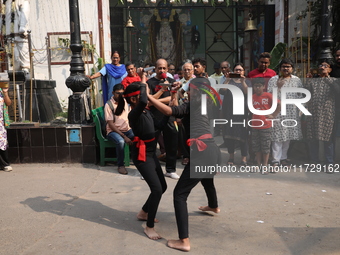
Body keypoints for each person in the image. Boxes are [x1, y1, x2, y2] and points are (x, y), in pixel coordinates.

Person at [147, 77, 221, 252]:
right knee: (206, 178)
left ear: (195, 90)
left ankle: (184, 240)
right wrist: (175, 93)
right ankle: (213, 205)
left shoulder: (192, 105)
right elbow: (177, 112)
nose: (187, 91)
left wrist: (150, 98)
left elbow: (169, 111)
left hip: (202, 153)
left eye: (190, 88)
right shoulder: (206, 104)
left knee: (179, 194)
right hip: (211, 151)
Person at [115, 73, 168, 240]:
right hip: (142, 156)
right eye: (144, 93)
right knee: (157, 189)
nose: (147, 96)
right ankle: (149, 227)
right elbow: (145, 100)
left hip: (152, 154)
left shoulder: (146, 111)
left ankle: (143, 213)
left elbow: (159, 125)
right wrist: (143, 81)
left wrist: (169, 109)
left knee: (163, 187)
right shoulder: (133, 114)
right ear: (134, 100)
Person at [147, 58, 180, 180]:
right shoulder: (150, 83)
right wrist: (162, 91)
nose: (161, 70)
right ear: (155, 69)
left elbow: (173, 101)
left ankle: (170, 170)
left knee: (171, 144)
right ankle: (150, 171)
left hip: (169, 117)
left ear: (167, 69)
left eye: (164, 68)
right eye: (159, 68)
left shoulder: (172, 82)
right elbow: (148, 102)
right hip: (154, 118)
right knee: (151, 146)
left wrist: (156, 101)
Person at [267, 59, 303, 166]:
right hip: (278, 112)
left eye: (288, 66)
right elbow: (269, 96)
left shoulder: (297, 80)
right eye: (284, 66)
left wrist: (300, 111)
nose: (286, 68)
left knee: (287, 136)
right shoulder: (274, 79)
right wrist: (277, 87)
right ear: (280, 68)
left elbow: (300, 95)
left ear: (292, 68)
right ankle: (275, 160)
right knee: (277, 136)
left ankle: (283, 158)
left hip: (292, 112)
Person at [305, 60, 340, 168]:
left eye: (326, 66)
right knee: (313, 138)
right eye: (321, 65)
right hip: (313, 113)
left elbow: (338, 92)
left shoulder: (334, 80)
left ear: (330, 70)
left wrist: (327, 78)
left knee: (328, 139)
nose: (323, 67)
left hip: (328, 114)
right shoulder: (313, 81)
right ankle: (314, 162)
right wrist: (308, 80)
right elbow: (305, 93)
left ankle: (329, 163)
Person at [219, 63, 250, 166]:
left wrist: (243, 81)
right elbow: (222, 91)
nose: (238, 72)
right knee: (229, 136)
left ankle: (243, 158)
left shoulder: (246, 81)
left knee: (243, 136)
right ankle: (231, 157)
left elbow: (247, 93)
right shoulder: (229, 81)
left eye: (240, 70)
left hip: (242, 113)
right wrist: (227, 79)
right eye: (236, 70)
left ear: (243, 72)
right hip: (229, 112)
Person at [251, 78, 280, 173]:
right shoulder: (252, 97)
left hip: (266, 125)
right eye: (256, 86)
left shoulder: (268, 96)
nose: (257, 88)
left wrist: (273, 115)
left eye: (259, 86)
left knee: (266, 146)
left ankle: (265, 165)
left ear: (264, 87)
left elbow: (279, 104)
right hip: (255, 125)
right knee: (256, 146)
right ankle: (258, 164)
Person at [104, 84, 134, 175]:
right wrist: (124, 136)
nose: (120, 95)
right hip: (114, 131)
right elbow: (111, 124)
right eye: (118, 93)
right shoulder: (109, 105)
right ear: (113, 93)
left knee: (138, 136)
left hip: (127, 129)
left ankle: (138, 160)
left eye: (122, 93)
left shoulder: (125, 101)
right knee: (121, 141)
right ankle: (120, 165)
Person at [0, 86, 12, 172]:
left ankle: (5, 164)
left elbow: (8, 103)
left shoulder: (1, 90)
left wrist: (5, 93)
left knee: (2, 142)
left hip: (0, 122)